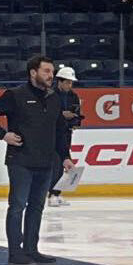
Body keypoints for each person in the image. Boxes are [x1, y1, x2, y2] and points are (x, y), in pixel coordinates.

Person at [0, 55, 65, 265]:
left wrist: (65, 156)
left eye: (52, 72)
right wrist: (3, 135)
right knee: (17, 206)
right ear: (33, 73)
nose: (50, 76)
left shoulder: (54, 98)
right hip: (21, 161)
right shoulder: (15, 95)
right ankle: (15, 252)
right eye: (46, 71)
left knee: (37, 207)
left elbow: (61, 130)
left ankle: (31, 249)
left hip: (46, 162)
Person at [48, 65, 86, 206]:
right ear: (60, 81)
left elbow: (76, 112)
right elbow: (46, 114)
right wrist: (62, 115)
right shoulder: (50, 94)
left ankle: (56, 193)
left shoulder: (73, 96)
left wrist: (75, 121)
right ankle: (52, 194)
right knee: (57, 164)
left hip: (66, 133)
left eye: (71, 82)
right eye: (67, 82)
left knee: (64, 164)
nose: (70, 85)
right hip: (52, 134)